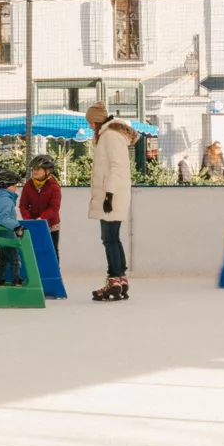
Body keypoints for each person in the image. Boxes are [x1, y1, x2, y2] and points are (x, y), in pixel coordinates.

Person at [86, 103, 135, 301]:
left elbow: (116, 167)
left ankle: (114, 279)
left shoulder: (109, 137)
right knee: (113, 238)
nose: (90, 127)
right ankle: (121, 279)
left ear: (97, 121)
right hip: (115, 194)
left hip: (112, 196)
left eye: (90, 123)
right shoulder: (112, 136)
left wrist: (109, 195)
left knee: (109, 239)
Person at [19, 153, 62, 257]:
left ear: (48, 171)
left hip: (51, 225)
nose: (35, 171)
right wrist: (29, 220)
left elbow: (54, 208)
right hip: (33, 224)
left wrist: (42, 219)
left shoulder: (54, 187)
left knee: (51, 251)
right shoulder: (28, 185)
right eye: (34, 169)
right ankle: (34, 273)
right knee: (33, 251)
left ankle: (53, 273)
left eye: (38, 169)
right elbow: (23, 205)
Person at [0, 169, 24, 285]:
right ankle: (16, 280)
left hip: (1, 237)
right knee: (15, 260)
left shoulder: (0, 198)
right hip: (7, 237)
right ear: (6, 186)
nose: (16, 188)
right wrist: (17, 227)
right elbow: (3, 218)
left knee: (3, 261)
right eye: (14, 185)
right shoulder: (5, 200)